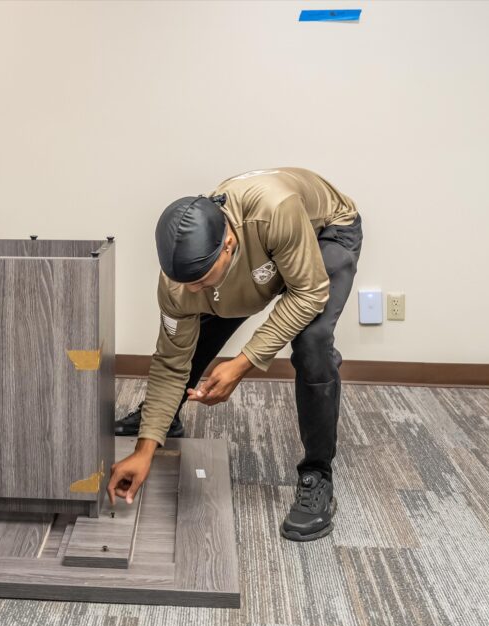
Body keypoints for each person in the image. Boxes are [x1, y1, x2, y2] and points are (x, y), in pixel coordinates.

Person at [107, 168, 363, 541]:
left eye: (200, 280)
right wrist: (146, 447)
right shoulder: (181, 283)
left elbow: (308, 294)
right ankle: (163, 418)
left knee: (313, 342)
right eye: (185, 282)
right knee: (195, 326)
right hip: (260, 252)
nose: (191, 289)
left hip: (326, 229)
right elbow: (171, 361)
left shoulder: (275, 210)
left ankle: (317, 474)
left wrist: (242, 364)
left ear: (228, 243)